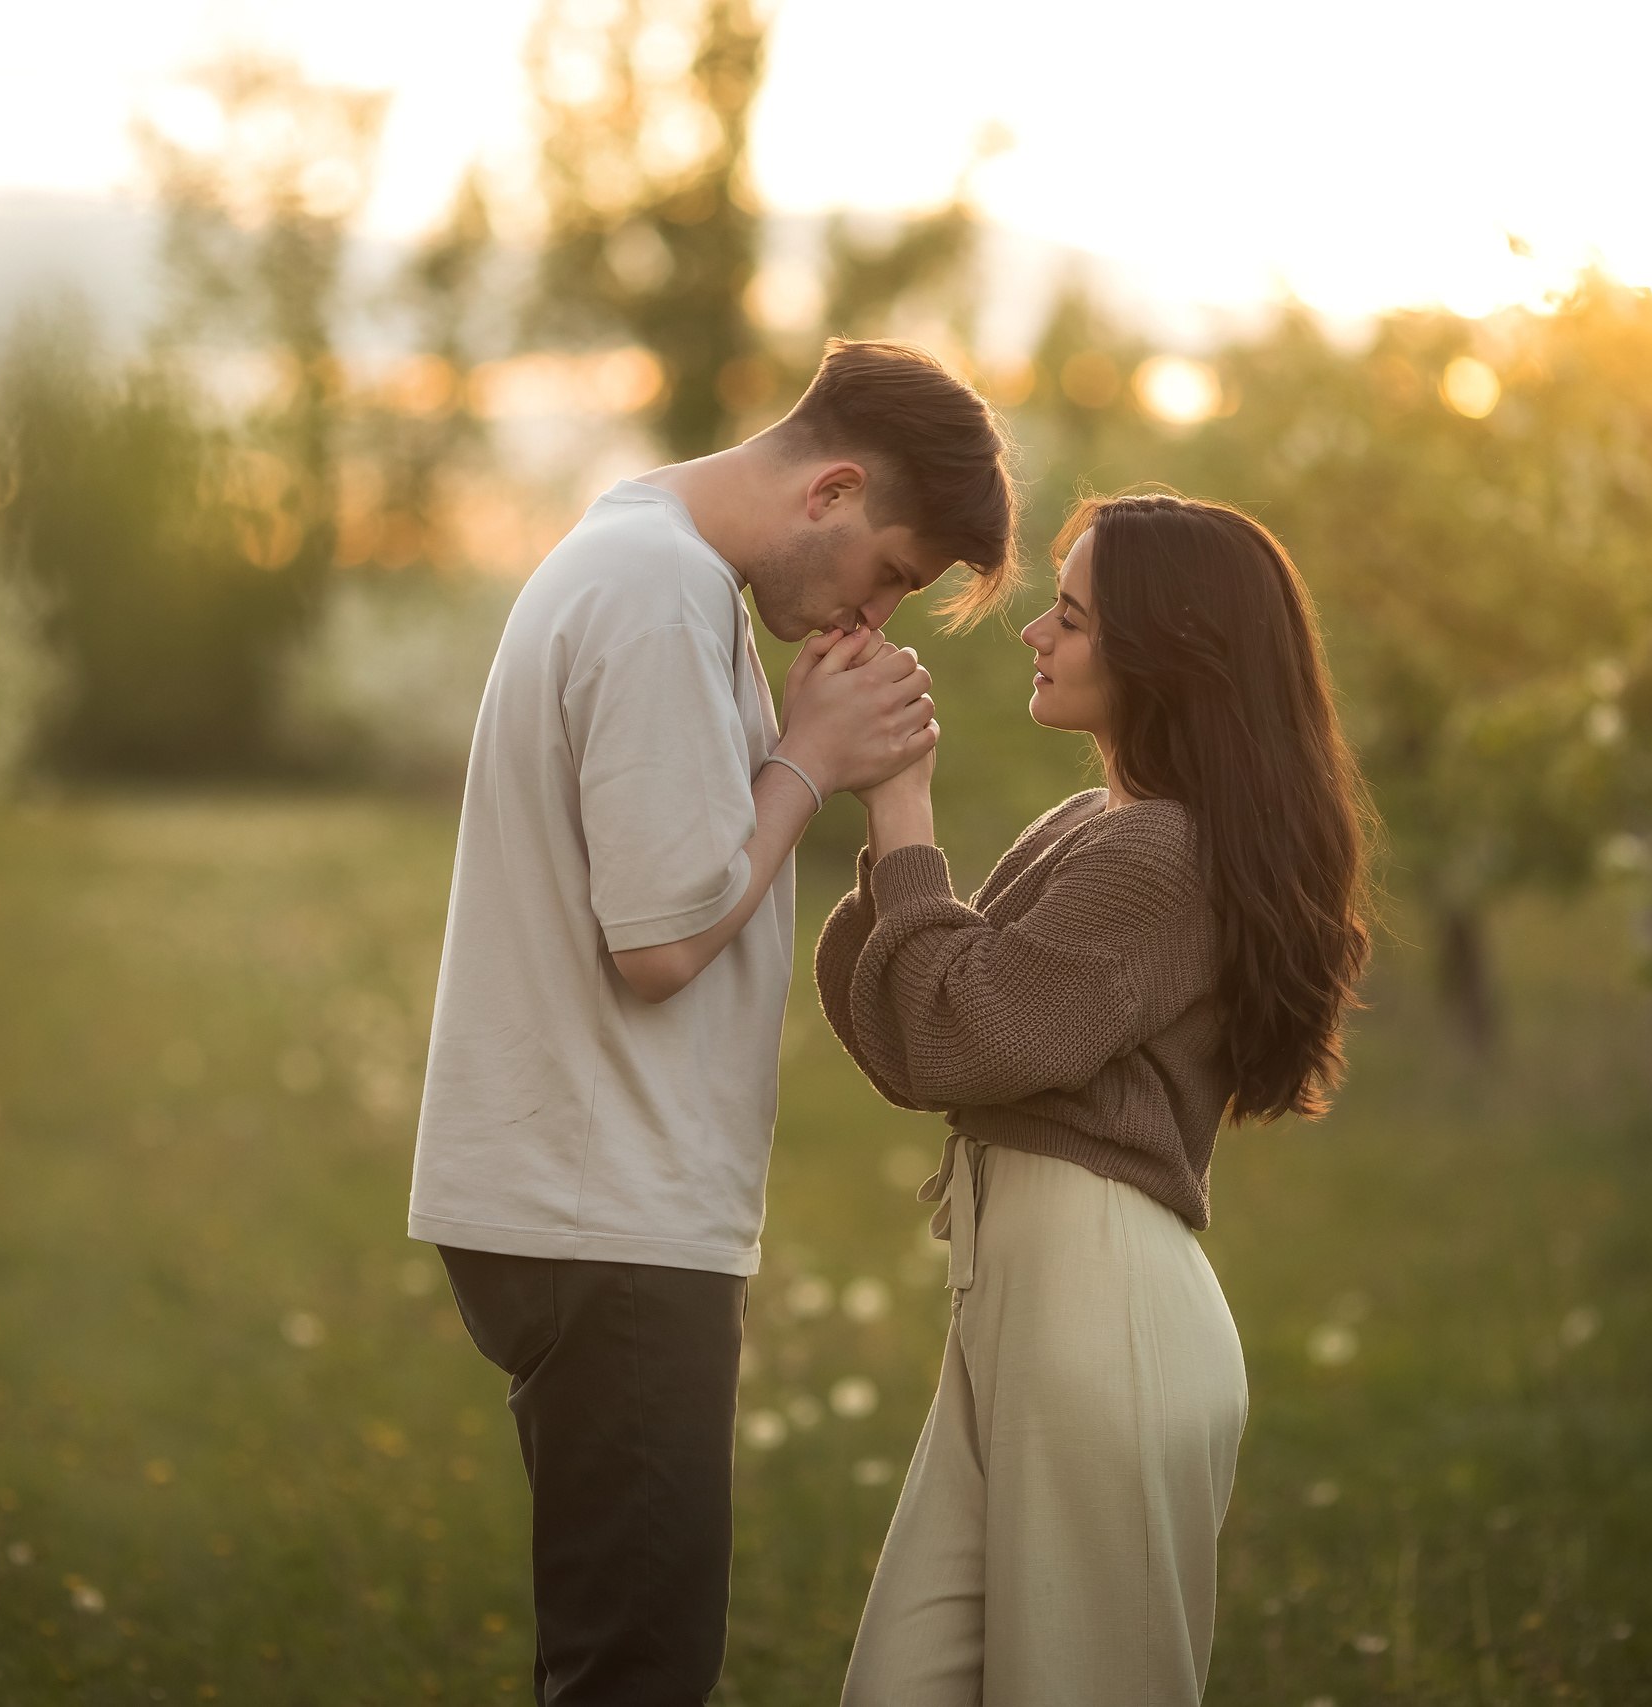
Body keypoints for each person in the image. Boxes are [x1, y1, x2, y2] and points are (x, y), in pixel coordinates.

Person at [408, 340, 1019, 1706]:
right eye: (893, 571)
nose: (872, 609)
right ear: (834, 491)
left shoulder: (652, 569)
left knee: (622, 1653)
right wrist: (812, 761)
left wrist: (810, 755)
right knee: (639, 1672)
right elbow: (664, 935)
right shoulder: (657, 594)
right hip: (604, 1209)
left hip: (586, 1197)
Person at [816, 490, 1375, 1705]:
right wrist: (878, 817)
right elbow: (919, 1036)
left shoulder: (1164, 857)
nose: (1035, 633)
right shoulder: (1097, 827)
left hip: (1098, 1318)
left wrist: (900, 810)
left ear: (1167, 660)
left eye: (1069, 617)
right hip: (1018, 1314)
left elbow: (960, 1030)